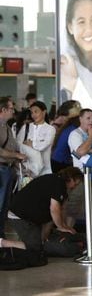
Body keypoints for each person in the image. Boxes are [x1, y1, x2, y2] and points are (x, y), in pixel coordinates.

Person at [6, 167, 83, 253]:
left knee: (39, 245)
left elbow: (57, 213)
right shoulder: (58, 183)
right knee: (34, 247)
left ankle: (39, 246)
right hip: (20, 216)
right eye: (75, 184)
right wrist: (61, 227)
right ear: (71, 178)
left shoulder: (58, 183)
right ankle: (3, 243)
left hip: (31, 217)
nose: (75, 187)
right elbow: (54, 209)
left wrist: (64, 226)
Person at [0, 97, 27, 238]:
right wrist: (17, 156)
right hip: (1, 169)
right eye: (11, 108)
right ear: (3, 110)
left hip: (8, 169)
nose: (13, 111)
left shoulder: (8, 128)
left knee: (5, 207)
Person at [16, 101, 55, 177]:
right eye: (32, 112)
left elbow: (43, 146)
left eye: (36, 112)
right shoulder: (26, 127)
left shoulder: (50, 129)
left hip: (45, 170)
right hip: (27, 170)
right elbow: (18, 144)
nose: (33, 115)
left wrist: (31, 144)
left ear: (44, 112)